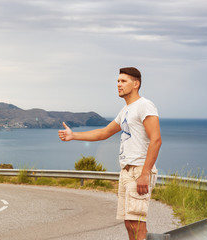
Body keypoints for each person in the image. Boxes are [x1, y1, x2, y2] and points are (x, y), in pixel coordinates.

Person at [58, 67, 162, 240]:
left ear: (136, 84)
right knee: (129, 223)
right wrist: (73, 135)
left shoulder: (145, 105)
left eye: (123, 81)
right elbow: (103, 133)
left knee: (137, 222)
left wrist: (145, 173)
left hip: (139, 170)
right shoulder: (126, 110)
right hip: (127, 171)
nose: (118, 85)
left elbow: (156, 140)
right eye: (118, 81)